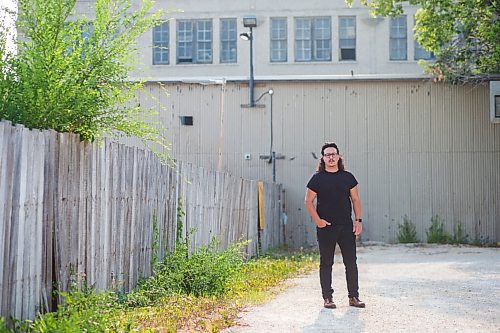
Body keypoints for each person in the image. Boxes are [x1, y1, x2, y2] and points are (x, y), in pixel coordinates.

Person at [304, 142, 365, 309]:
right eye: (327, 155)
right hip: (326, 228)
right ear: (323, 158)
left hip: (346, 226)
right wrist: (318, 221)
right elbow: (308, 201)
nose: (331, 157)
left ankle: (354, 297)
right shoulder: (317, 179)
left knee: (351, 262)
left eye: (333, 154)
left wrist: (358, 220)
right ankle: (327, 298)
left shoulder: (348, 177)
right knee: (326, 263)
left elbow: (355, 200)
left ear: (339, 156)